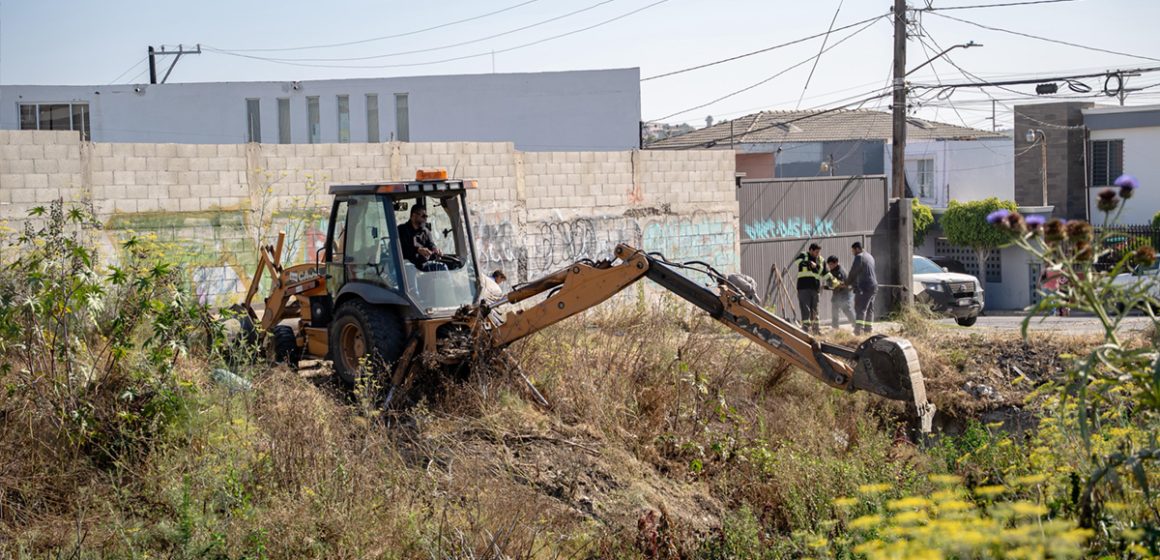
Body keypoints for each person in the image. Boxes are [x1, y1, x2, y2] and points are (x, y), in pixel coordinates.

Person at [397, 205, 444, 271]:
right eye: (423, 216)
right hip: (407, 265)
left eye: (426, 216)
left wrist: (435, 250)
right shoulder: (401, 230)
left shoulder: (426, 231)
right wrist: (418, 250)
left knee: (442, 267)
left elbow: (431, 244)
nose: (425, 218)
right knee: (410, 269)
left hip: (423, 264)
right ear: (414, 216)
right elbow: (401, 249)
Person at [845, 241, 878, 335]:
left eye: (853, 251)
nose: (853, 253)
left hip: (865, 287)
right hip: (873, 286)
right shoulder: (870, 256)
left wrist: (847, 283)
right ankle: (868, 329)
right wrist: (854, 285)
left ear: (857, 249)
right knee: (870, 308)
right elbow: (864, 272)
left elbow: (853, 272)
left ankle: (858, 330)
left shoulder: (859, 257)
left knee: (860, 308)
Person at [794, 243, 824, 334]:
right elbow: (797, 262)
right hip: (803, 287)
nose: (817, 254)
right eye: (816, 252)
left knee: (815, 309)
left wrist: (816, 266)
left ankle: (816, 330)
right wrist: (808, 263)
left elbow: (822, 271)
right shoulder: (804, 255)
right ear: (810, 250)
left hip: (815, 288)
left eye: (818, 252)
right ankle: (806, 329)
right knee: (805, 309)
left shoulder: (820, 259)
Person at [823, 255, 856, 330]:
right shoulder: (832, 271)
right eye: (829, 264)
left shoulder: (840, 272)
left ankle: (856, 326)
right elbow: (832, 283)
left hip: (844, 293)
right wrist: (827, 286)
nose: (829, 266)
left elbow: (840, 285)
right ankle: (835, 327)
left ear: (836, 263)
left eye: (831, 264)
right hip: (837, 294)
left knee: (847, 310)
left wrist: (828, 287)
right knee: (834, 310)